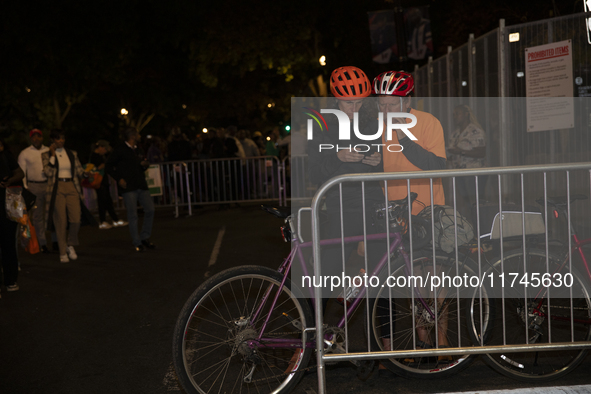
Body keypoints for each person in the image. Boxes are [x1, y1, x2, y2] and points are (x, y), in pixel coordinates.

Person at [307, 66, 385, 300]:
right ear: (336, 100)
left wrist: (378, 161)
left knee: (382, 276)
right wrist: (337, 157)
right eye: (348, 103)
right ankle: (314, 330)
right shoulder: (321, 124)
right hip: (341, 206)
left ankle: (384, 336)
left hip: (373, 204)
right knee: (327, 276)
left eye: (359, 102)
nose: (354, 108)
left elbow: (384, 164)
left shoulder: (371, 124)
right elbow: (313, 172)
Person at [373, 70, 446, 215]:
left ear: (407, 101)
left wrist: (404, 139)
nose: (387, 111)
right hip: (392, 212)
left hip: (427, 211)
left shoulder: (428, 122)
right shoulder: (375, 126)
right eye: (382, 105)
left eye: (392, 105)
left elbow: (438, 166)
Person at [41, 129, 88, 263]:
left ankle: (70, 244)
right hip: (57, 187)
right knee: (60, 220)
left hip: (71, 186)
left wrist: (86, 174)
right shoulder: (46, 155)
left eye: (62, 138)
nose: (61, 141)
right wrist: (52, 155)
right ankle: (62, 252)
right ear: (52, 140)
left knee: (76, 219)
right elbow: (48, 172)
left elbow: (79, 171)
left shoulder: (72, 153)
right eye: (58, 138)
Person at [106, 127, 155, 252]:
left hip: (141, 184)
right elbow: (109, 165)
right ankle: (137, 242)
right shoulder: (120, 150)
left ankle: (145, 237)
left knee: (150, 210)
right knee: (133, 215)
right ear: (132, 136)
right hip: (129, 188)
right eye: (137, 134)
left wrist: (144, 166)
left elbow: (139, 164)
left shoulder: (138, 149)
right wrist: (119, 178)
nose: (139, 136)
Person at [447, 104, 487, 214]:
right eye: (454, 114)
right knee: (466, 203)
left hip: (474, 173)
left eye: (457, 114)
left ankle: (481, 224)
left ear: (466, 115)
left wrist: (461, 152)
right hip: (460, 173)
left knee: (476, 202)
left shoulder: (475, 131)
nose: (455, 116)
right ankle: (471, 224)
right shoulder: (455, 133)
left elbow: (481, 152)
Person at [18, 129, 52, 253]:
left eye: (38, 136)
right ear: (30, 138)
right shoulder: (25, 153)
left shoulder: (48, 150)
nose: (36, 139)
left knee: (53, 213)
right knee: (37, 216)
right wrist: (25, 187)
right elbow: (21, 172)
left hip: (48, 185)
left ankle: (55, 241)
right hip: (34, 186)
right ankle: (42, 243)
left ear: (42, 138)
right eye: (33, 137)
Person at [0, 138, 25, 293]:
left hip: (7, 204)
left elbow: (19, 173)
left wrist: (9, 180)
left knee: (8, 243)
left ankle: (10, 280)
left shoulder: (5, 156)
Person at [89, 140, 128, 229]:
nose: (105, 151)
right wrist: (105, 164)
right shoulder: (95, 157)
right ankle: (105, 221)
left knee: (106, 201)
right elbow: (98, 167)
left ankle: (113, 220)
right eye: (105, 149)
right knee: (103, 201)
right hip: (100, 181)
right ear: (100, 147)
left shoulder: (98, 156)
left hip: (102, 181)